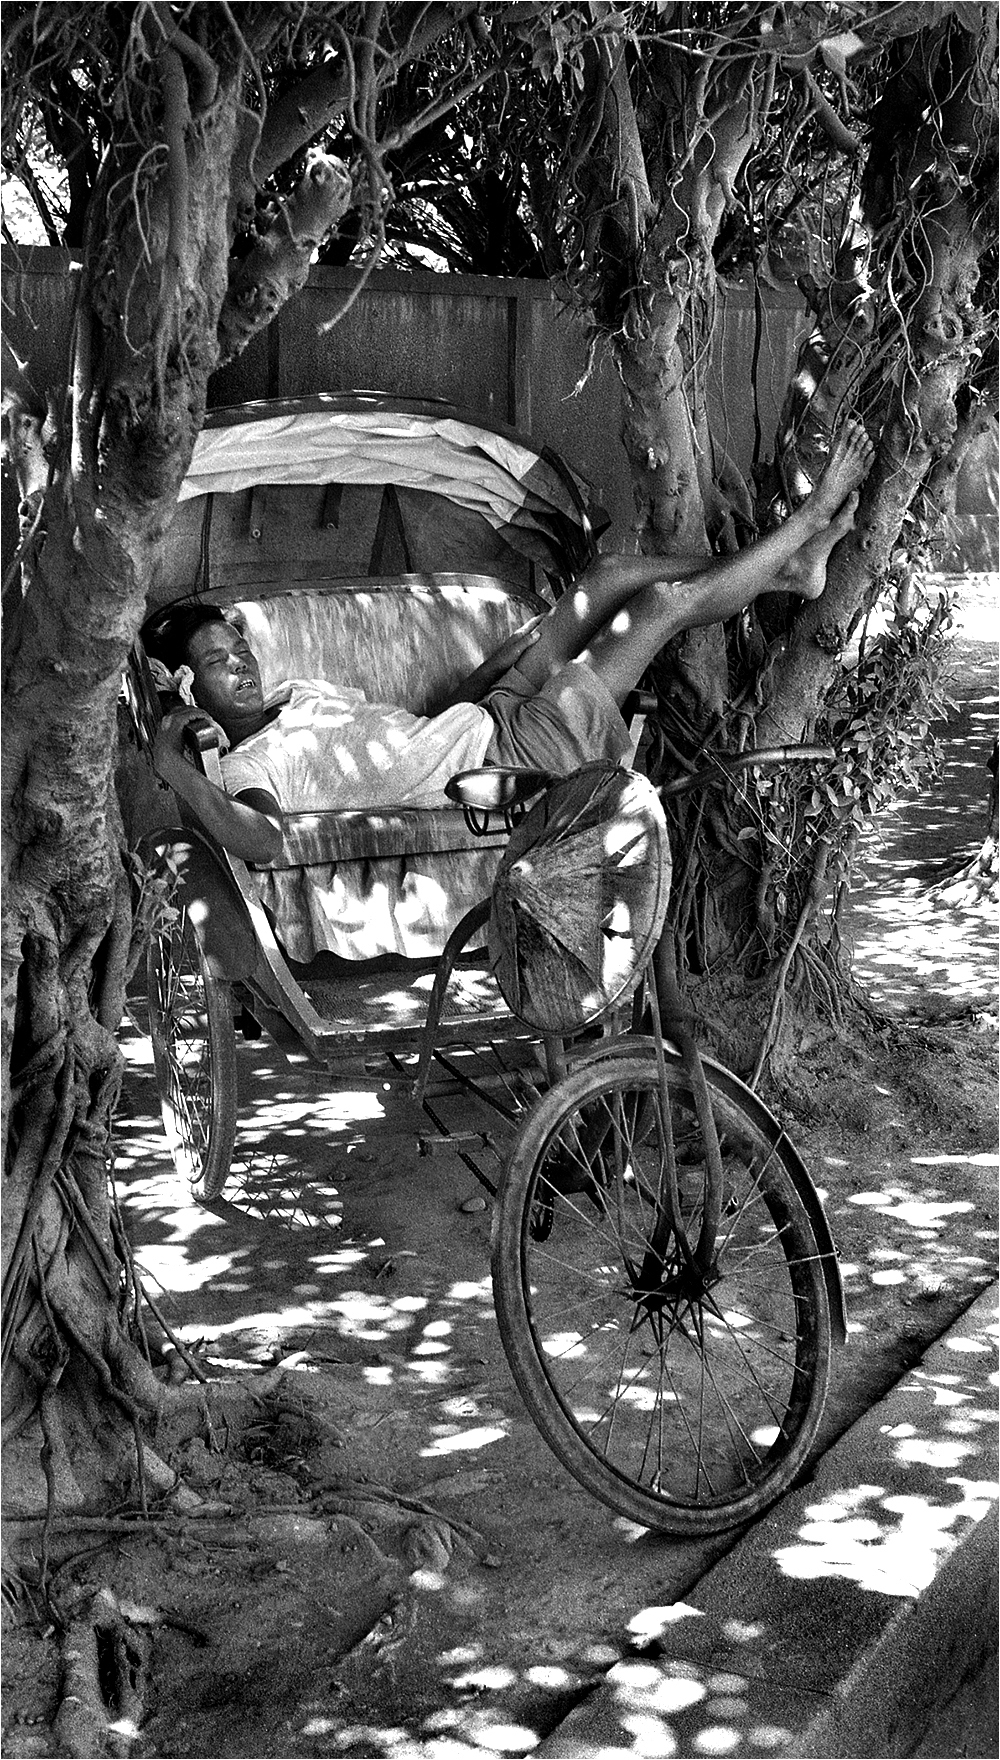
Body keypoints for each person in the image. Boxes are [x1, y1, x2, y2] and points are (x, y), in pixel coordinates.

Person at [145, 421, 873, 867]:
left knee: (607, 575)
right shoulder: (251, 765)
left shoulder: (298, 693)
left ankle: (789, 573)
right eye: (215, 663)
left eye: (237, 648)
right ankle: (804, 525)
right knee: (656, 607)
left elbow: (419, 730)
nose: (239, 664)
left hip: (491, 710)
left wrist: (499, 664)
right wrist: (176, 769)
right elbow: (264, 841)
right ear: (185, 684)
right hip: (509, 759)